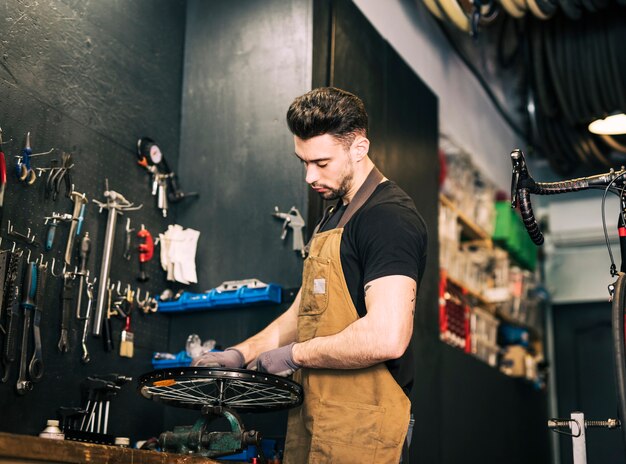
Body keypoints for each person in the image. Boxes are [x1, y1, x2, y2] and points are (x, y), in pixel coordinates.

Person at [192, 87, 428, 463]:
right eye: (303, 162)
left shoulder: (389, 218)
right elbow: (304, 312)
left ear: (359, 148)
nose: (308, 177)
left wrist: (295, 355)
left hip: (363, 427)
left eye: (321, 162)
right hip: (315, 416)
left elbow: (388, 336)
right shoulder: (333, 214)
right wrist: (243, 353)